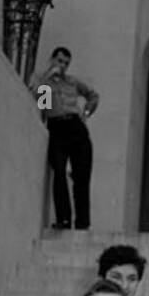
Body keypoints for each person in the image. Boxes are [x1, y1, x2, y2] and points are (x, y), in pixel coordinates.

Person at [33, 47, 99, 230]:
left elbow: (93, 96)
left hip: (75, 126)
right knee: (60, 172)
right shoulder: (44, 82)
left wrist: (86, 112)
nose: (62, 66)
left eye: (65, 63)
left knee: (81, 175)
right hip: (57, 127)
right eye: (60, 61)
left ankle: (82, 222)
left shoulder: (72, 82)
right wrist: (48, 78)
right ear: (52, 59)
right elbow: (41, 104)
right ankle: (63, 219)